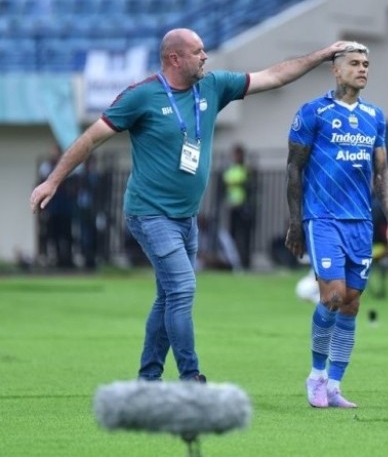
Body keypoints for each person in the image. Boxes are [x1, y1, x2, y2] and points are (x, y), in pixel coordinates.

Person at [30, 28, 349, 382]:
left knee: (168, 296)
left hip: (186, 217)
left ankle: (148, 380)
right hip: (149, 214)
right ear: (174, 59)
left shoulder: (212, 86)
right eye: (198, 52)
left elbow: (272, 76)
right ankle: (190, 376)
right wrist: (53, 180)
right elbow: (91, 138)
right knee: (182, 289)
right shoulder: (141, 96)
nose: (205, 57)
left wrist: (321, 55)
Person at [285, 42, 388, 408]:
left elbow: (382, 173)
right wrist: (294, 221)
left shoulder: (375, 116)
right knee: (332, 296)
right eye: (354, 63)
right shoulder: (313, 112)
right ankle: (316, 375)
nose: (362, 68)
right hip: (322, 217)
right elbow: (294, 167)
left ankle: (335, 385)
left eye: (366, 63)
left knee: (351, 303)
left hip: (360, 221)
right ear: (336, 70)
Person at [223, 144, 255, 269]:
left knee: (245, 236)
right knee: (232, 235)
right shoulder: (230, 169)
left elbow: (250, 186)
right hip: (232, 206)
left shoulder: (246, 169)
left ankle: (245, 262)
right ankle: (233, 262)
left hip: (244, 207)